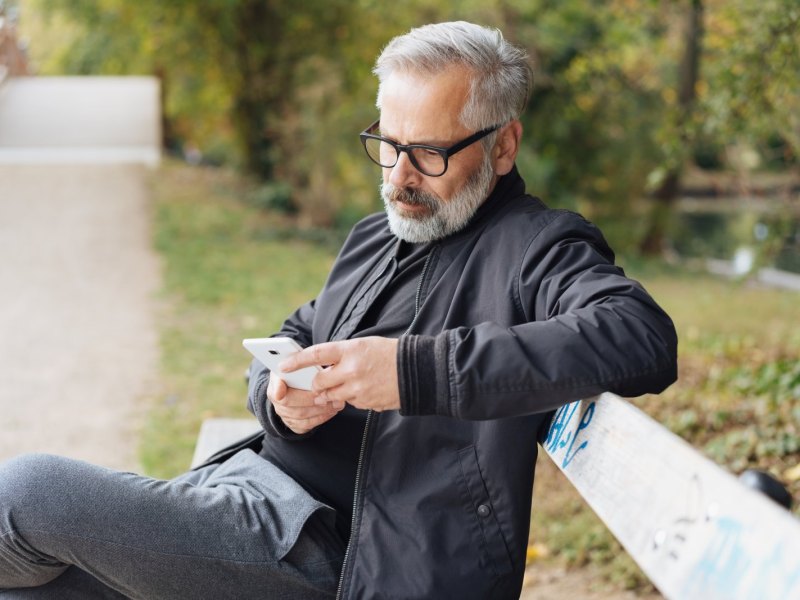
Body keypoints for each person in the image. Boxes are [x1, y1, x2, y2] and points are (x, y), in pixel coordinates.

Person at [0, 21, 677, 600]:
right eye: (388, 144)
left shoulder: (537, 247)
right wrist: (278, 395)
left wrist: (409, 372)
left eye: (430, 153)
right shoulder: (377, 236)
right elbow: (298, 331)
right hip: (247, 495)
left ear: (502, 146)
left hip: (345, 555)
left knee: (27, 493)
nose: (399, 177)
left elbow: (639, 336)